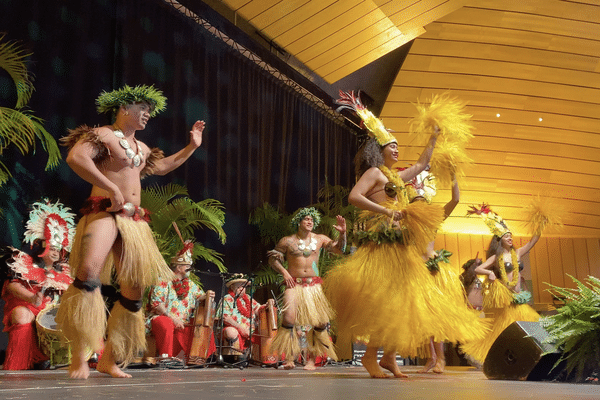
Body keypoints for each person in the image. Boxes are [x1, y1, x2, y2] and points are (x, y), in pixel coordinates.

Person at [324, 92, 481, 378]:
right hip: (381, 249)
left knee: (408, 302)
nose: (397, 151)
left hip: (400, 247)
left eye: (398, 148)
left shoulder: (395, 178)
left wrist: (433, 137)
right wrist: (385, 212)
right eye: (392, 147)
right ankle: (371, 356)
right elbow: (354, 197)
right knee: (391, 301)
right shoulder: (374, 173)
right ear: (380, 149)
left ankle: (389, 358)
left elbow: (421, 166)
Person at [56, 84, 206, 379]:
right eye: (143, 109)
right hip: (105, 212)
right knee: (88, 274)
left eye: (150, 111)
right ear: (124, 108)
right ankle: (79, 357)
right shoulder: (103, 135)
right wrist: (111, 187)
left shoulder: (141, 148)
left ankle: (109, 359)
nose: (147, 115)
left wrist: (192, 147)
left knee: (134, 292)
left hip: (134, 220)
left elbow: (162, 167)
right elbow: (76, 158)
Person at [411, 175, 488, 374]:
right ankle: (431, 358)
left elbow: (455, 200)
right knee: (423, 319)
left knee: (435, 318)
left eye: (423, 204)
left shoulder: (434, 222)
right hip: (416, 273)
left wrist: (453, 177)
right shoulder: (407, 226)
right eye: (416, 205)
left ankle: (441, 359)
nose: (421, 208)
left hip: (434, 272)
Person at [460, 204, 541, 365]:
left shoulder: (517, 253)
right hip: (507, 299)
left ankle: (530, 359)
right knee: (505, 332)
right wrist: (490, 273)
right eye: (507, 237)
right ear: (500, 240)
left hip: (520, 299)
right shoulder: (497, 258)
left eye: (511, 236)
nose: (511, 238)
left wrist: (540, 222)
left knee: (531, 329)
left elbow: (533, 241)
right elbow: (479, 269)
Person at [268, 207, 346, 370]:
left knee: (320, 322)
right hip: (293, 283)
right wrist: (284, 273)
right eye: (306, 219)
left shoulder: (320, 239)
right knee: (289, 318)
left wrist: (343, 233)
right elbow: (273, 259)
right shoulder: (287, 241)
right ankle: (289, 358)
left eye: (312, 219)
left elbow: (339, 249)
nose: (310, 221)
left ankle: (311, 360)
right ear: (299, 222)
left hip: (313, 285)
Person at [1, 199, 75, 370]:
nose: (56, 252)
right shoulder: (23, 262)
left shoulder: (65, 271)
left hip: (55, 313)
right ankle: (17, 366)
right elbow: (12, 285)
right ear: (42, 245)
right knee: (21, 315)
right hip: (29, 307)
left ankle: (76, 358)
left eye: (59, 249)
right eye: (53, 247)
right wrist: (32, 297)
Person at [145, 241, 215, 363]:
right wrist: (173, 318)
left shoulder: (190, 284)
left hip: (183, 321)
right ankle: (166, 357)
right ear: (178, 267)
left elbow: (200, 297)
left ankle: (197, 358)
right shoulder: (163, 280)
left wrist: (208, 295)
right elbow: (157, 304)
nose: (190, 269)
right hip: (162, 318)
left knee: (201, 324)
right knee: (166, 322)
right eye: (187, 266)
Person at [217, 274, 262, 359]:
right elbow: (225, 317)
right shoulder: (227, 298)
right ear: (232, 287)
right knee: (231, 331)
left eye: (243, 287)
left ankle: (259, 357)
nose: (242, 288)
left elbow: (259, 310)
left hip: (251, 331)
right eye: (239, 286)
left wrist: (267, 305)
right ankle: (235, 357)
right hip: (235, 330)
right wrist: (240, 328)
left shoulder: (248, 298)